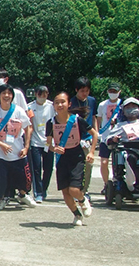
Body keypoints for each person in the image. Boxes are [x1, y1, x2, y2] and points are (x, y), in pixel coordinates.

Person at [46, 91, 96, 226]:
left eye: (62, 102)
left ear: (69, 104)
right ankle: (77, 215)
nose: (59, 105)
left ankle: (83, 200)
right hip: (62, 159)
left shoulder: (77, 120)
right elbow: (48, 144)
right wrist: (53, 148)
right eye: (56, 102)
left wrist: (91, 153)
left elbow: (95, 134)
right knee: (65, 192)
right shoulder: (51, 123)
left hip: (77, 157)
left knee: (73, 190)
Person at [0, 84, 37, 210]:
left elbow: (28, 127)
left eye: (9, 93)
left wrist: (26, 147)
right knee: (1, 179)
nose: (6, 96)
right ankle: (3, 198)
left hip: (17, 153)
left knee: (23, 177)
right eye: (3, 93)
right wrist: (1, 144)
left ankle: (22, 195)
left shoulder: (19, 111)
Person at [0, 68, 27, 194]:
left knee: (19, 172)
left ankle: (22, 194)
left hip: (17, 139)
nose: (6, 96)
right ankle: (2, 194)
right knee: (0, 170)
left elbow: (26, 117)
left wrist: (27, 144)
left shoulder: (18, 94)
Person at [69, 77, 98, 198]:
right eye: (82, 91)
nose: (84, 93)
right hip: (75, 138)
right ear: (76, 90)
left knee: (88, 165)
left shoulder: (91, 101)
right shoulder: (71, 102)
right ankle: (74, 189)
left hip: (88, 137)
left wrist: (96, 132)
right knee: (75, 166)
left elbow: (94, 117)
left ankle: (84, 191)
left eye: (87, 90)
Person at [27, 86, 55, 203]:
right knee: (36, 168)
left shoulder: (51, 106)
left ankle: (44, 189)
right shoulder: (30, 106)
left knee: (48, 168)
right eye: (40, 94)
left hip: (49, 142)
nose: (42, 97)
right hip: (35, 142)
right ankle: (37, 191)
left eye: (45, 94)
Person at [96, 83, 122, 195]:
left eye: (115, 91)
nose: (113, 93)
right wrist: (97, 133)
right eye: (111, 91)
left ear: (119, 92)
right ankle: (106, 184)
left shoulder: (122, 104)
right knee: (104, 162)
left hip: (118, 137)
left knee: (119, 163)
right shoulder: (102, 104)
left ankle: (118, 183)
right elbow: (98, 119)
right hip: (105, 137)